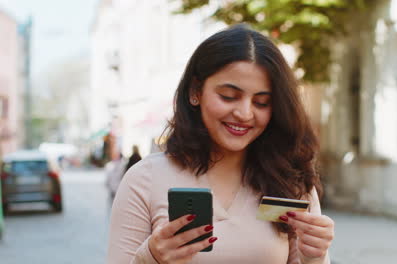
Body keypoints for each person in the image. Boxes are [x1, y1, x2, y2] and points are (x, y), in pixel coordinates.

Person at [107, 24, 334, 264]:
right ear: (196, 91)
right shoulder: (145, 180)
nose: (245, 113)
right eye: (228, 96)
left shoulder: (290, 179)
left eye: (261, 102)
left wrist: (314, 257)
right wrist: (150, 258)